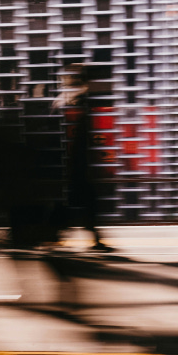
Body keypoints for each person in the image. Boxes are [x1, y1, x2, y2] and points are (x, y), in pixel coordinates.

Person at [54, 64, 113, 252]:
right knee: (84, 202)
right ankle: (63, 234)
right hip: (79, 163)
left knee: (80, 202)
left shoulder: (74, 100)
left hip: (77, 163)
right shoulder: (77, 100)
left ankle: (64, 235)